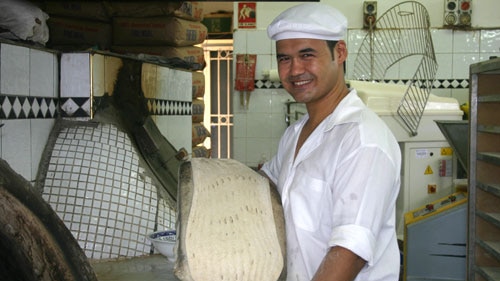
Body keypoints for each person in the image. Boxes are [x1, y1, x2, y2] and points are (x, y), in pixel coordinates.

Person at [260, 3, 402, 281]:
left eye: (307, 55)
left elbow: (349, 251)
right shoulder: (295, 133)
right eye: (284, 59)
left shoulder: (362, 140)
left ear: (340, 52)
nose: (294, 70)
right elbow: (267, 186)